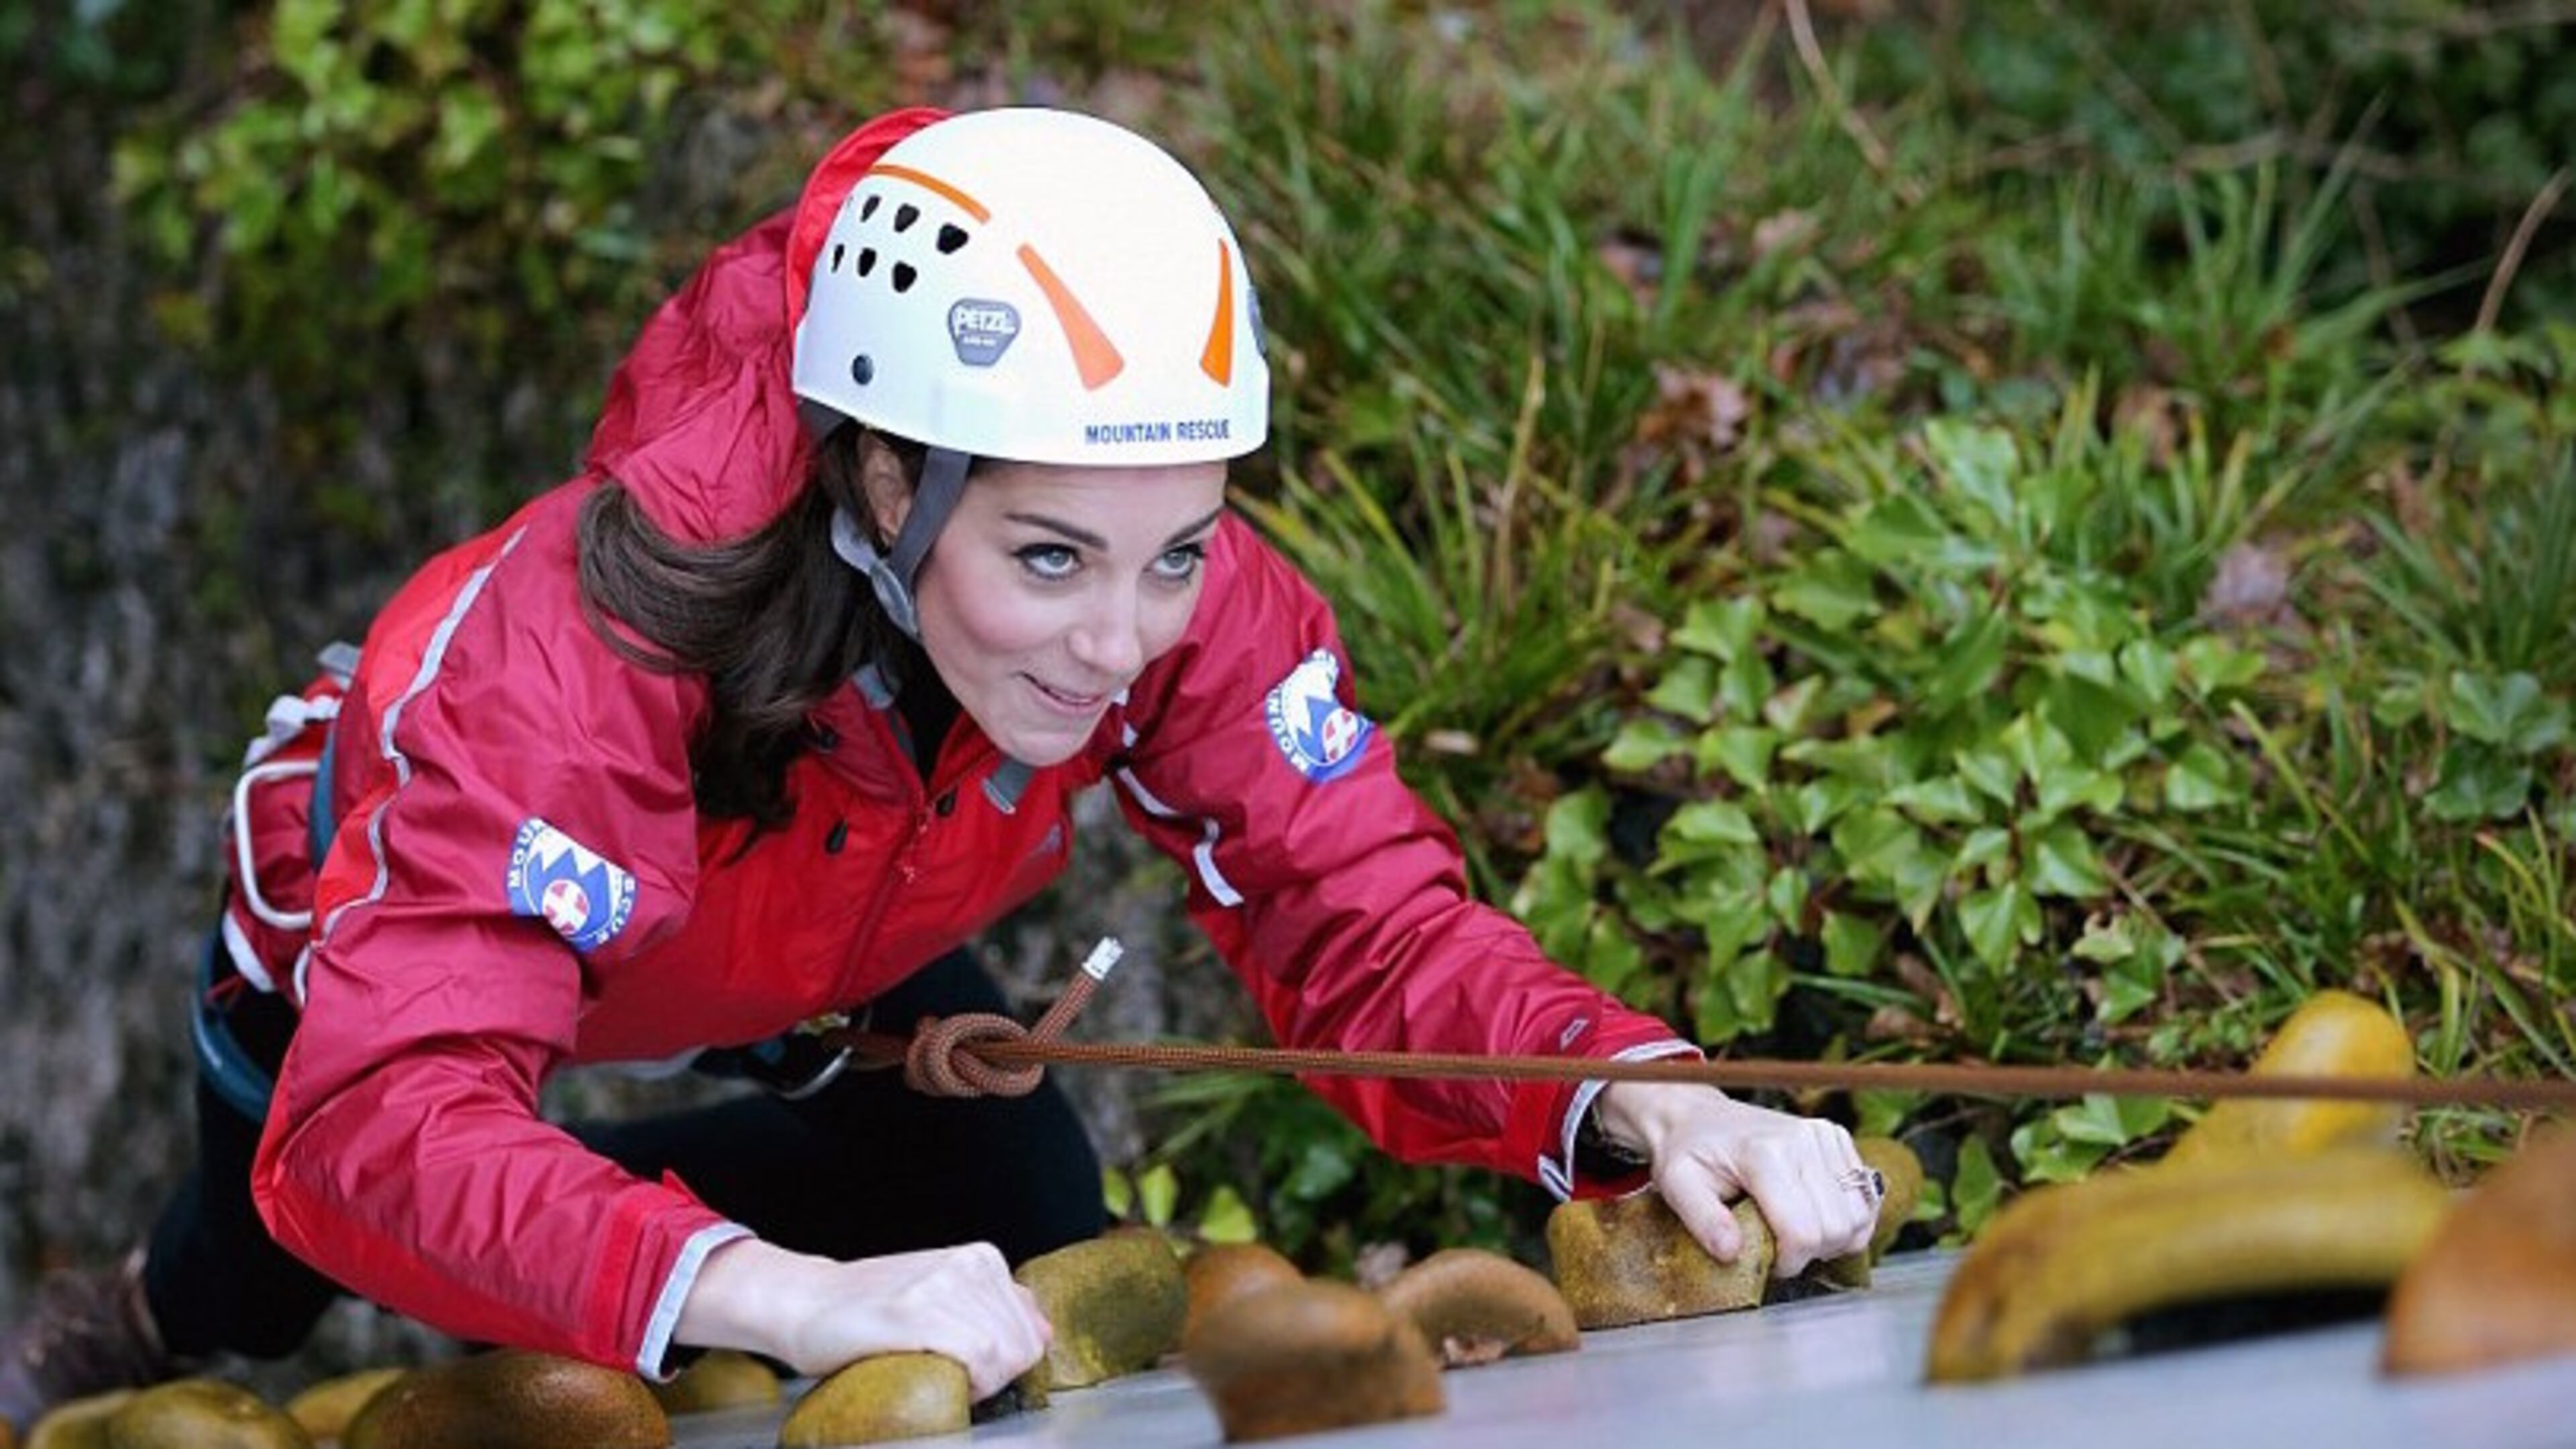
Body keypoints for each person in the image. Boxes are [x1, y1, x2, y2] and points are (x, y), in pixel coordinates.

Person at [0, 105, 1878, 1428]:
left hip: (837, 924)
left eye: (1176, 549)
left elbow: (1362, 922)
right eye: (1049, 557)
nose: (1125, 638)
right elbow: (376, 1127)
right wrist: (775, 1293)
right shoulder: (573, 666)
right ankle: (138, 1314)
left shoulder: (1172, 599)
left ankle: (611, 1214)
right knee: (270, 1257)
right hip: (426, 904)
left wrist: (1643, 1096)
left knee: (1022, 1234)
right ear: (886, 481)